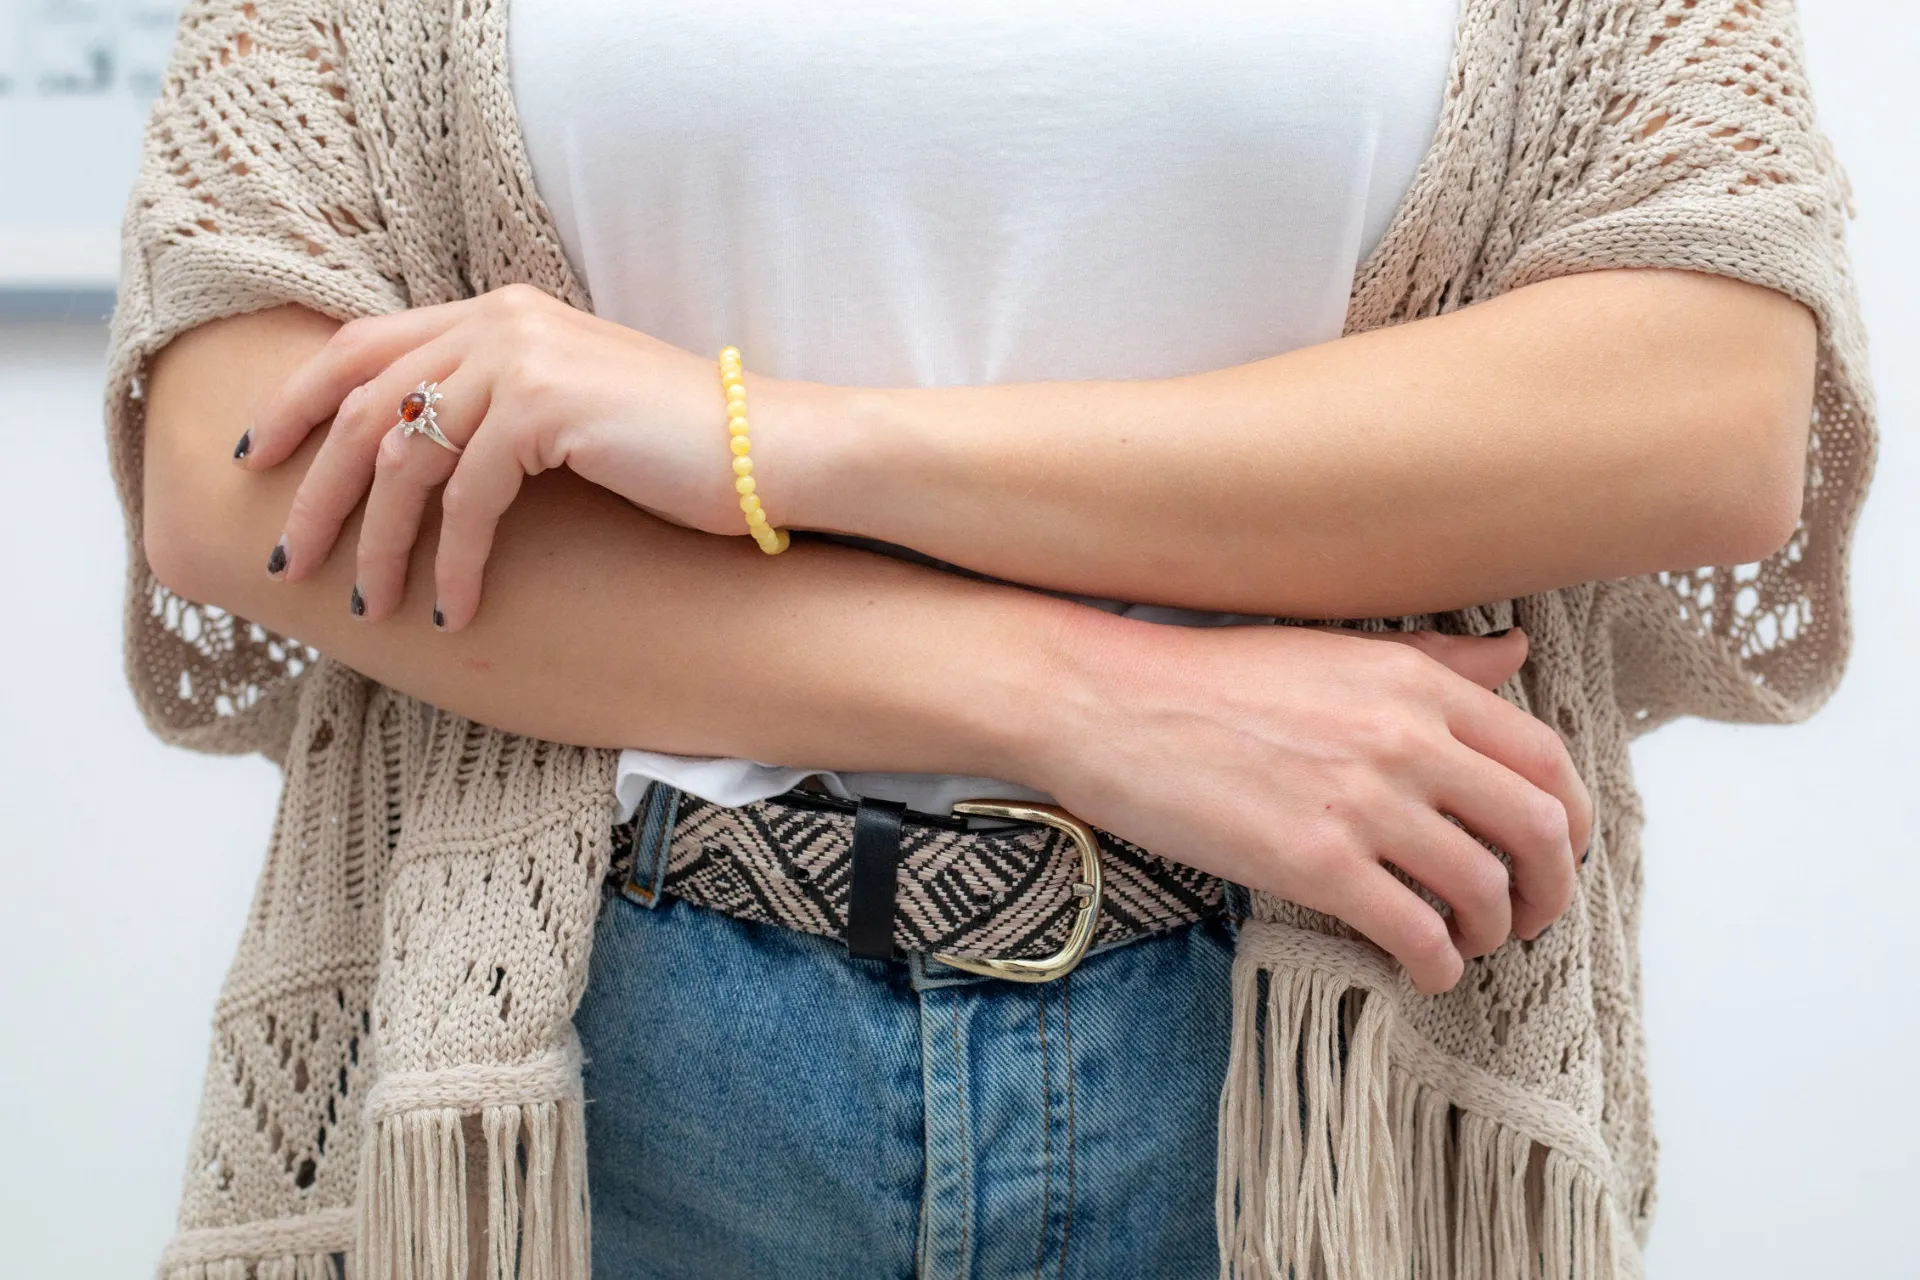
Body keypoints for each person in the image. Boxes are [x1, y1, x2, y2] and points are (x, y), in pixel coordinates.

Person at [116, 0, 1874, 1276]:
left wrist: (770, 437)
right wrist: (1086, 698)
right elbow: (238, 459)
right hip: (597, 1069)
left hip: (1320, 1075)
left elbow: (1705, 411)